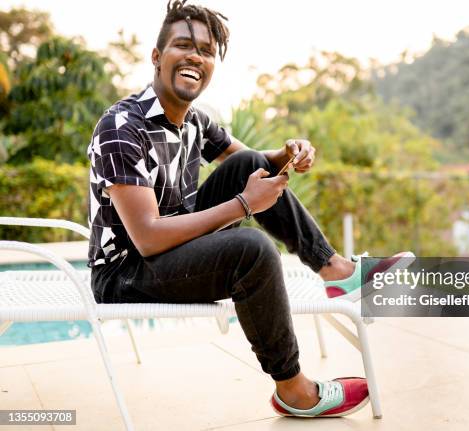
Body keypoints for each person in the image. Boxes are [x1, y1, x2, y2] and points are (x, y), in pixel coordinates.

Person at [87, 0, 403, 418]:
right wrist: (242, 206)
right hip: (124, 272)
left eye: (206, 50)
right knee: (251, 250)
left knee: (248, 164)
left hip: (169, 247)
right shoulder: (121, 128)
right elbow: (146, 238)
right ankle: (294, 389)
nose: (195, 56)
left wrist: (289, 153)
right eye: (183, 45)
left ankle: (335, 271)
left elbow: (253, 161)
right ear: (158, 57)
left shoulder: (195, 121)